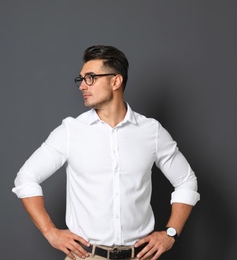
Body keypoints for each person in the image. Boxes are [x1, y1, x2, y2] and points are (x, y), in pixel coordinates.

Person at [12, 45, 200, 260]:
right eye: (81, 79)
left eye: (91, 78)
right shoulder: (71, 131)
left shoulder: (151, 131)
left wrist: (170, 234)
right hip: (87, 256)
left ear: (115, 81)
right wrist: (50, 232)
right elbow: (25, 178)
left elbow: (186, 181)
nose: (82, 85)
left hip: (139, 256)